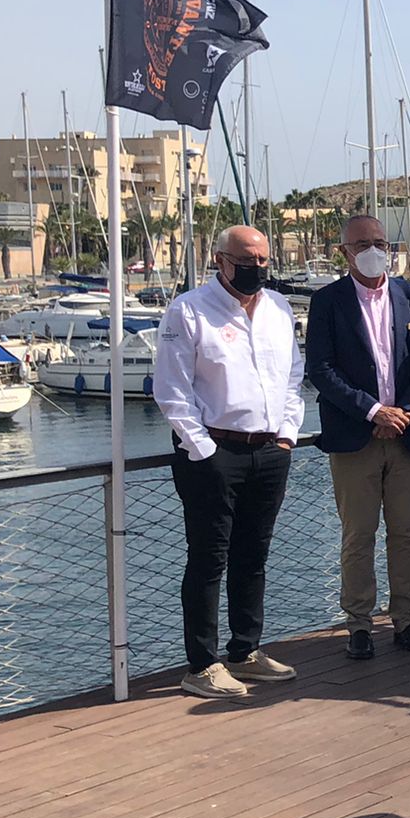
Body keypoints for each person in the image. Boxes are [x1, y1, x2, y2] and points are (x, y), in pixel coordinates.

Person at [152, 225, 306, 700]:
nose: (257, 268)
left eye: (263, 259)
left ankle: (245, 651)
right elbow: (172, 391)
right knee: (208, 559)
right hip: (212, 452)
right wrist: (205, 451)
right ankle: (202, 664)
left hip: (269, 450)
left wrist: (286, 435)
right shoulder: (189, 310)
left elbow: (292, 375)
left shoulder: (279, 309)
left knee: (253, 557)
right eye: (247, 259)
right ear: (220, 260)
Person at [304, 214, 410, 660]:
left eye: (379, 242)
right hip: (355, 435)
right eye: (362, 243)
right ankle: (360, 625)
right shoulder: (327, 302)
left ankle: (406, 620)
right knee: (358, 535)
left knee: (406, 535)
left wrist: (404, 411)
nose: (372, 249)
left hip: (409, 434)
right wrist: (373, 411)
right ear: (344, 251)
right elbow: (321, 370)